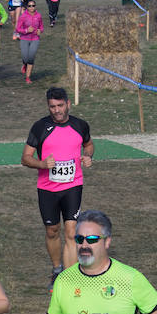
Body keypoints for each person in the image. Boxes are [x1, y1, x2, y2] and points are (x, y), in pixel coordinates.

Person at [21, 86, 95, 285]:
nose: (56, 110)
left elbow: (88, 145)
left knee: (71, 232)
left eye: (60, 105)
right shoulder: (40, 128)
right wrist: (42, 164)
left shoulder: (80, 125)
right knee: (52, 230)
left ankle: (70, 278)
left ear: (68, 104)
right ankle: (57, 269)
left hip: (73, 186)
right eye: (52, 106)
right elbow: (25, 158)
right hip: (47, 189)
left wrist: (87, 157)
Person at [14, 0, 44, 84]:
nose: (31, 7)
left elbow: (41, 27)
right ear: (27, 7)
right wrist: (27, 30)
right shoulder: (23, 16)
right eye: (29, 6)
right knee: (25, 57)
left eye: (33, 6)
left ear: (35, 6)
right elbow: (18, 29)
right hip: (24, 38)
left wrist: (40, 31)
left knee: (31, 57)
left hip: (35, 39)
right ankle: (25, 64)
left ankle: (28, 77)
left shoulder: (39, 16)